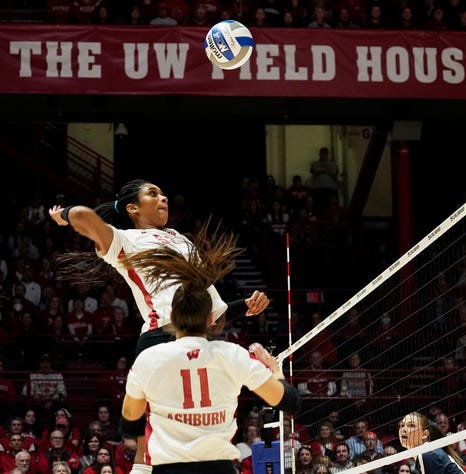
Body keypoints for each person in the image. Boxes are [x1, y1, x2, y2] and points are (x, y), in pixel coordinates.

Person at [49, 179, 271, 474]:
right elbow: (82, 217)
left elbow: (213, 314)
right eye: (153, 193)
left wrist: (245, 305)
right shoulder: (125, 240)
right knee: (149, 434)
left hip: (199, 338)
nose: (163, 197)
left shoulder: (182, 240)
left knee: (203, 424)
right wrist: (63, 215)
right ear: (132, 208)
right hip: (161, 338)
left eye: (163, 192)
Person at [117, 222, 300, 474]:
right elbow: (290, 403)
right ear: (211, 317)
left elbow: (129, 423)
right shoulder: (232, 355)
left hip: (167, 468)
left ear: (172, 314)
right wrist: (274, 369)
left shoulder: (149, 359)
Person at [398, 411, 465, 473]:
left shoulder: (428, 454)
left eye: (411, 425)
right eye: (402, 425)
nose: (403, 429)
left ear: (424, 434)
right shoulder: (425, 454)